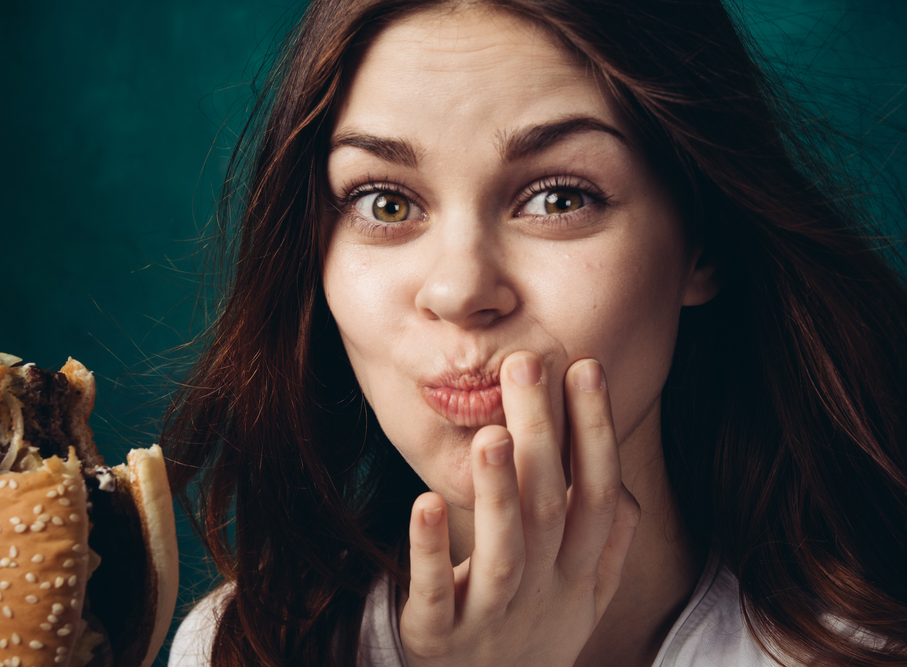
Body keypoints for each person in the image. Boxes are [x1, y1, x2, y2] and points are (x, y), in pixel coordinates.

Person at [159, 0, 907, 665]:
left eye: (557, 197)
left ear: (702, 240)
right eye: (385, 203)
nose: (459, 291)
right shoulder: (235, 647)